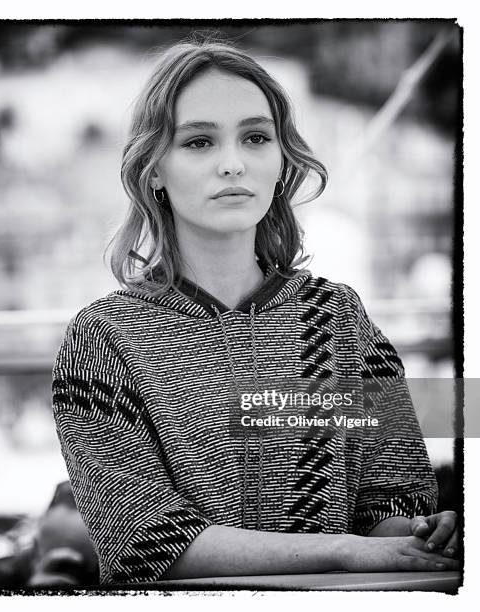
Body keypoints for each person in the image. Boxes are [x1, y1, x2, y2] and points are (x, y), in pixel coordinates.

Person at [51, 37, 459, 585]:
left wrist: (422, 532)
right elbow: (142, 544)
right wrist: (340, 549)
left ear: (280, 159)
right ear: (153, 170)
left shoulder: (337, 317)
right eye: (198, 142)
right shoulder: (102, 340)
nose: (232, 164)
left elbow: (387, 503)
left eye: (256, 137)